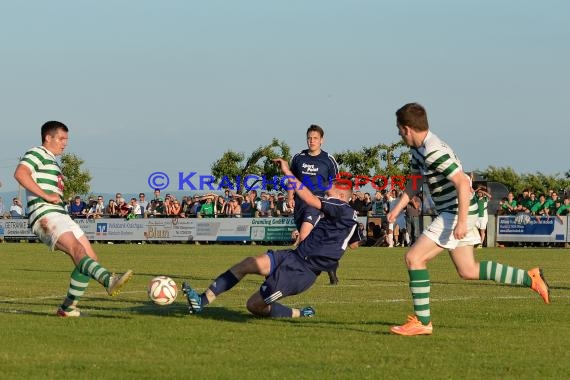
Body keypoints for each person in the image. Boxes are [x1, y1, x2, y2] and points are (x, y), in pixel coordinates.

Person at [387, 103, 550, 336]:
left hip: (455, 211)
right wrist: (397, 208)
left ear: (407, 129)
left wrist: (462, 221)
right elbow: (415, 181)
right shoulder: (418, 150)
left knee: (414, 258)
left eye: (399, 130)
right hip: (457, 211)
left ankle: (423, 322)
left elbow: (463, 182)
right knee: (468, 269)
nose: (399, 134)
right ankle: (531, 278)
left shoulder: (434, 151)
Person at [181, 158, 363, 318]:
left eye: (329, 191)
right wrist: (331, 241)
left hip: (301, 272)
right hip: (294, 256)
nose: (326, 193)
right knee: (248, 263)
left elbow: (309, 199)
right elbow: (354, 244)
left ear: (340, 196)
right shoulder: (350, 215)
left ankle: (299, 313)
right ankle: (201, 301)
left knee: (253, 305)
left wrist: (287, 172)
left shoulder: (338, 205)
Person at [13, 121, 133, 317]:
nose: (64, 143)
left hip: (60, 213)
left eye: (66, 140)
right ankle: (108, 281)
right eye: (61, 138)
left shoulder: (52, 161)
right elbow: (20, 173)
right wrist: (45, 194)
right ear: (48, 138)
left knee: (90, 257)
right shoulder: (36, 152)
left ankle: (67, 308)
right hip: (45, 214)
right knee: (77, 251)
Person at [288, 124, 340, 285]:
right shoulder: (298, 158)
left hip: (317, 203)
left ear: (321, 141)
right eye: (309, 138)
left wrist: (336, 205)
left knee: (303, 236)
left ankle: (299, 273)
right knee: (313, 240)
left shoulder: (328, 160)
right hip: (299, 204)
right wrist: (290, 197)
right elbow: (291, 180)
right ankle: (330, 265)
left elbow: (335, 185)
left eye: (315, 138)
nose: (312, 141)